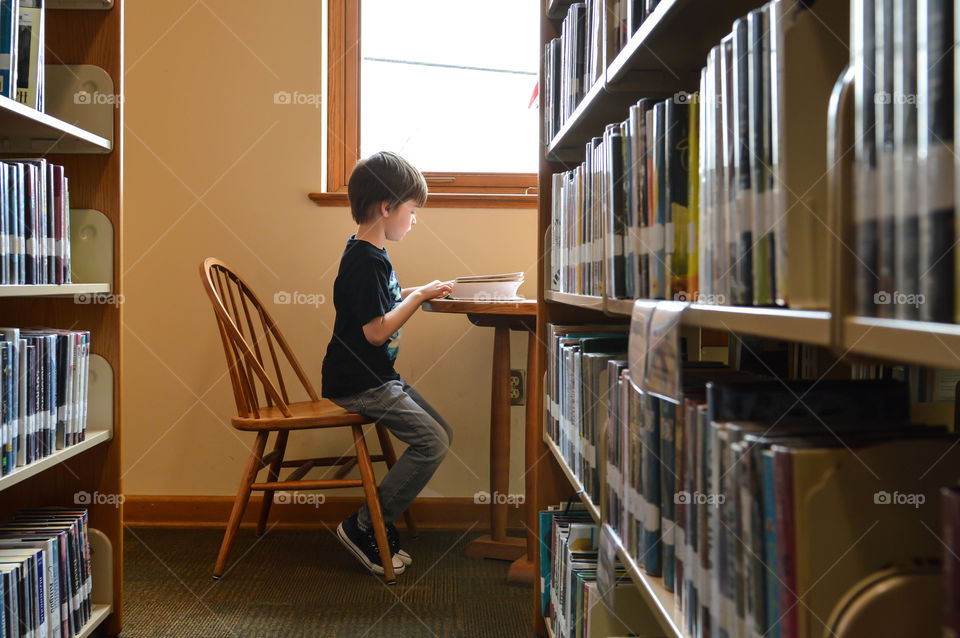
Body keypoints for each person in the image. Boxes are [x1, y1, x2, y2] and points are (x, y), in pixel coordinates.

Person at [322, 151, 453, 577]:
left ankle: (377, 523)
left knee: (440, 434)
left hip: (377, 377)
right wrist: (416, 298)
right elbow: (376, 332)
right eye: (412, 211)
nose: (414, 220)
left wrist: (422, 289)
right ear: (386, 207)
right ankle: (365, 525)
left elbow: (383, 304)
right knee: (432, 443)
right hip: (360, 381)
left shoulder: (370, 255)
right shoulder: (363, 260)